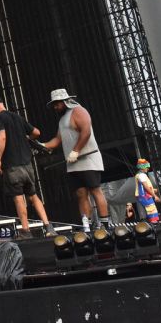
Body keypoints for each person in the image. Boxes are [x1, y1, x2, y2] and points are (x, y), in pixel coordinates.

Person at [40, 87, 109, 231]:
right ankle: (87, 224)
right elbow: (57, 140)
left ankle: (104, 223)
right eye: (54, 104)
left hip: (88, 158)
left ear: (65, 101)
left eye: (57, 103)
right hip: (73, 162)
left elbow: (86, 131)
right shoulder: (62, 119)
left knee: (95, 189)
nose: (55, 107)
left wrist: (76, 151)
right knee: (80, 193)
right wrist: (42, 145)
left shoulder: (78, 110)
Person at [0, 94, 51, 239]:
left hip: (13, 167)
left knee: (18, 198)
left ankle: (26, 231)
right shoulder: (17, 117)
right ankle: (48, 226)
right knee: (33, 196)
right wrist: (27, 138)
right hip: (27, 165)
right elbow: (36, 132)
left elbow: (2, 137)